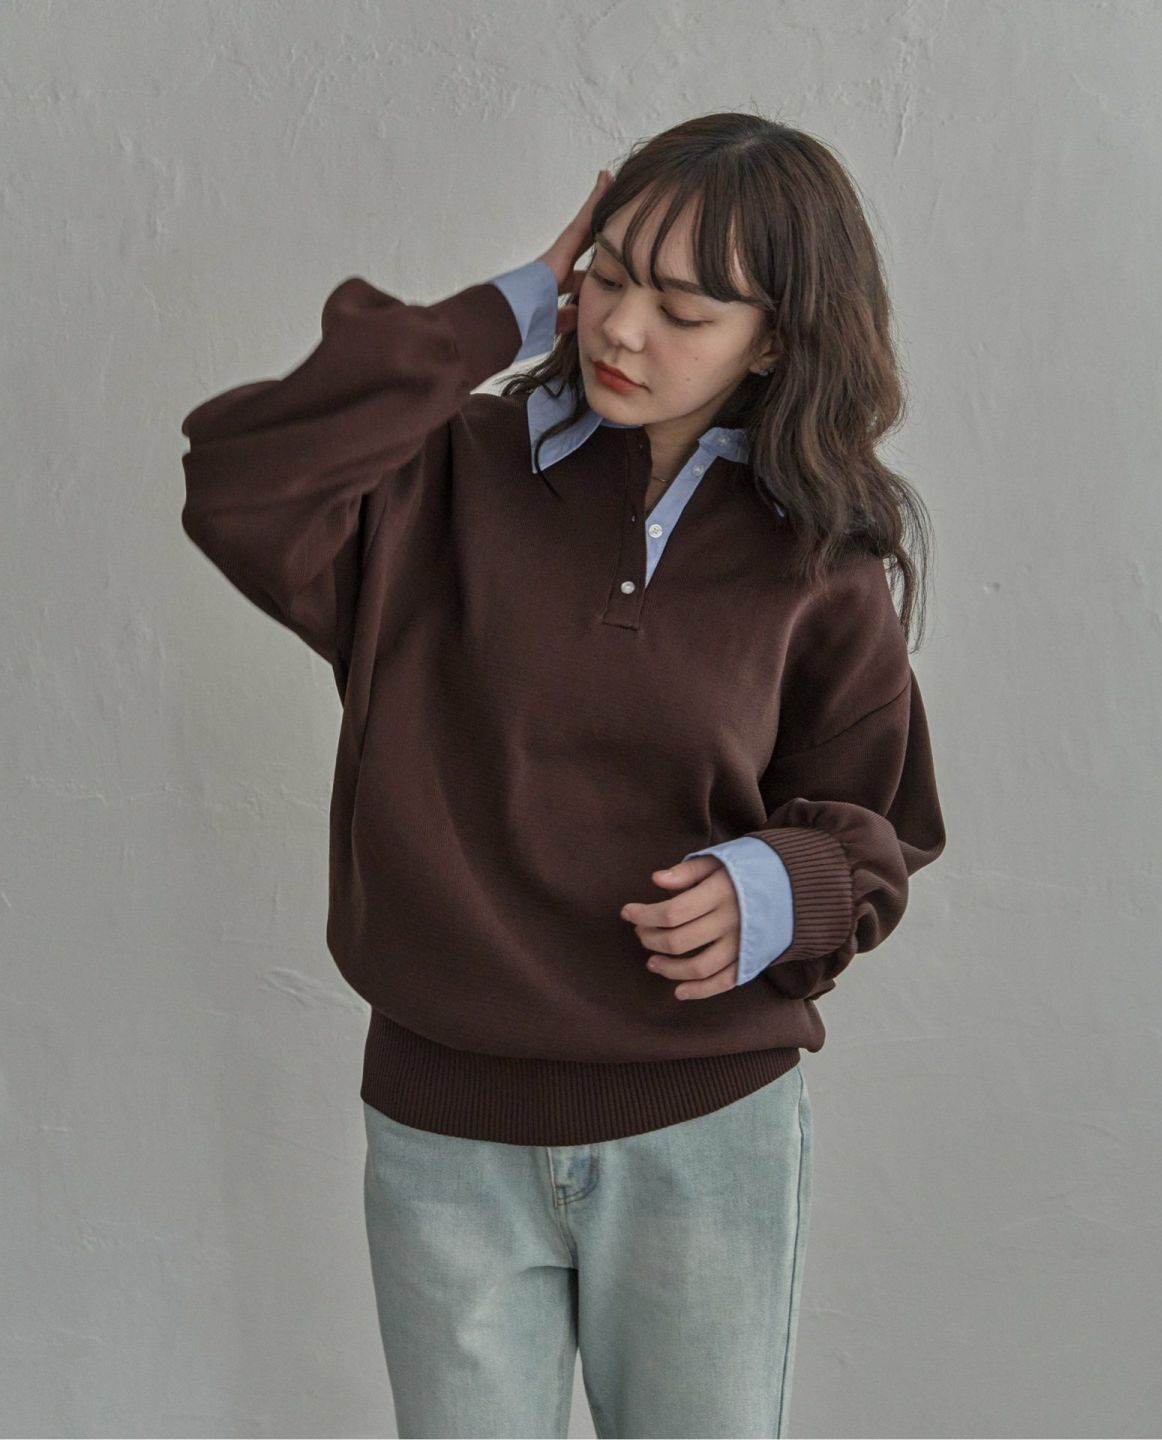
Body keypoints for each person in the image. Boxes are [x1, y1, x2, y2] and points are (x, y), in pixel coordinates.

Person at [180, 112, 947, 1439]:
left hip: (707, 1129)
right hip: (444, 1129)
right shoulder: (436, 477)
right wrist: (504, 310)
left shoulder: (819, 554)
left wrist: (778, 887)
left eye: (685, 310)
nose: (623, 330)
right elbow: (241, 477)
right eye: (609, 274)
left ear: (774, 341)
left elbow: (877, 824)